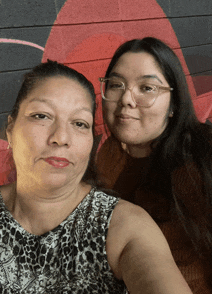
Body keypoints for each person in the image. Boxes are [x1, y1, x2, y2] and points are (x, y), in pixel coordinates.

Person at [0, 60, 192, 294]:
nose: (61, 137)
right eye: (42, 116)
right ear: (10, 130)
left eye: (80, 123)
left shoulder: (124, 226)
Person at [96, 37, 212, 293]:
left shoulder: (208, 160)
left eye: (147, 88)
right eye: (116, 84)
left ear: (173, 104)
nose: (127, 100)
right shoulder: (110, 152)